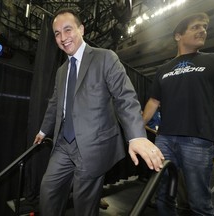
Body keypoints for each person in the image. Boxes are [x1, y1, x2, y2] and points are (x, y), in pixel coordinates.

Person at [33, 8, 164, 216]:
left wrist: (137, 136)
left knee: (84, 204)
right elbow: (55, 104)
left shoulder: (105, 58)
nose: (62, 37)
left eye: (67, 30)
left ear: (81, 29)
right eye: (57, 33)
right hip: (63, 145)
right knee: (48, 190)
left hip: (92, 145)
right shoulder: (61, 71)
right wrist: (43, 131)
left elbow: (125, 97)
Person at [143, 12, 214, 216]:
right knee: (163, 196)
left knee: (199, 202)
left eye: (204, 27)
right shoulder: (163, 69)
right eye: (195, 27)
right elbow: (153, 101)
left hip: (199, 140)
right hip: (165, 139)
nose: (203, 30)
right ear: (178, 36)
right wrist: (138, 126)